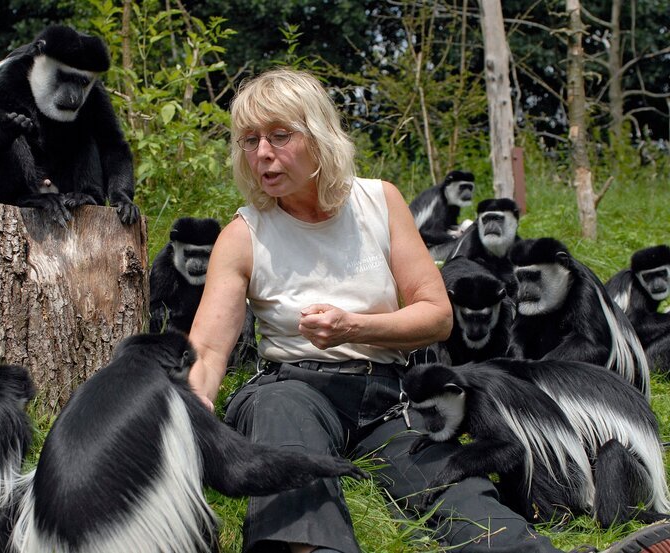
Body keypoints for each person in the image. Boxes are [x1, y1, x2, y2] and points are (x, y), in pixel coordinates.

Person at [187, 67, 670, 553]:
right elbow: (207, 349)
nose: (262, 154)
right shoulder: (243, 235)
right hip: (290, 385)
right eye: (249, 140)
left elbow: (436, 314)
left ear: (319, 136)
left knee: (455, 483)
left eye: (279, 136)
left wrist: (354, 326)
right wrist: (196, 400)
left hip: (388, 393)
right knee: (284, 432)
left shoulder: (379, 201)